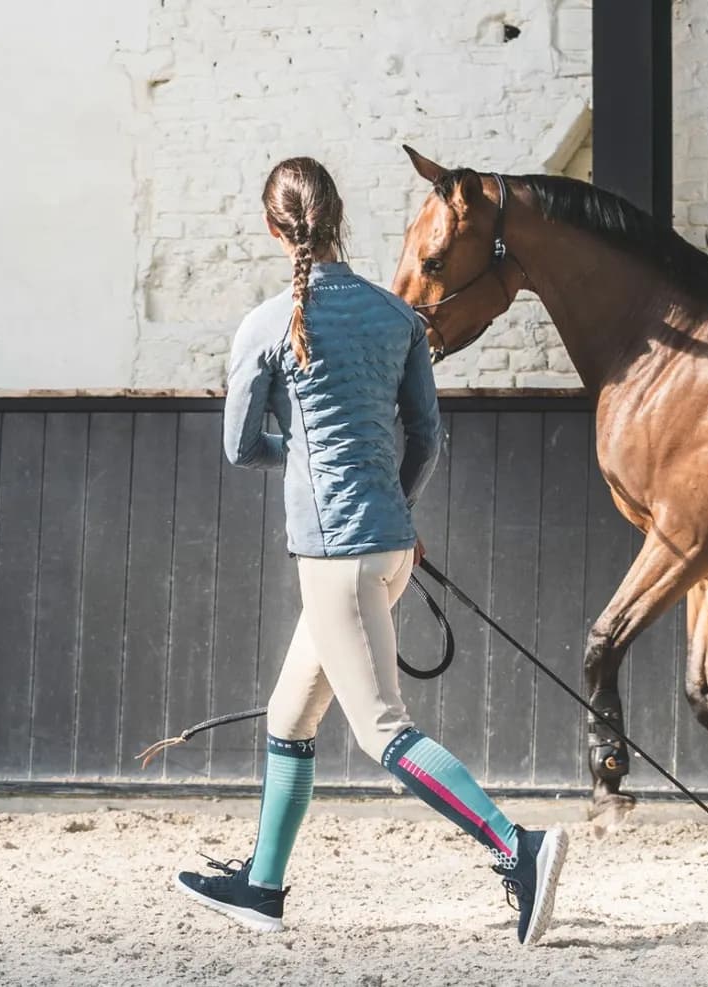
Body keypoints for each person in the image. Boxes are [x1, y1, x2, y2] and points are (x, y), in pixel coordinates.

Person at [174, 157, 568, 946]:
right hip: (390, 547)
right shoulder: (396, 317)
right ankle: (261, 885)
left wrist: (306, 447)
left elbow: (240, 445)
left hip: (336, 557)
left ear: (271, 226)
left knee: (382, 729)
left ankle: (516, 847)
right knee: (290, 714)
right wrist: (393, 499)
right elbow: (427, 434)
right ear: (339, 217)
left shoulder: (263, 326)